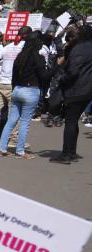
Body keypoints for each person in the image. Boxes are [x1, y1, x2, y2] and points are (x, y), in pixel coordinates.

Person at [0, 31, 49, 160]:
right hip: (30, 91)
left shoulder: (20, 56)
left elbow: (14, 76)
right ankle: (20, 151)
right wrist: (57, 66)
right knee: (25, 122)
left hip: (17, 90)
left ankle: (2, 148)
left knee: (11, 121)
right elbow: (45, 77)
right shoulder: (38, 57)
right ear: (37, 43)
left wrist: (15, 89)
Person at [50, 25, 92, 164]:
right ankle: (72, 152)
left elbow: (73, 71)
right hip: (87, 90)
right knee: (73, 121)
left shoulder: (79, 49)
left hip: (76, 90)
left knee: (70, 121)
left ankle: (66, 154)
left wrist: (62, 79)